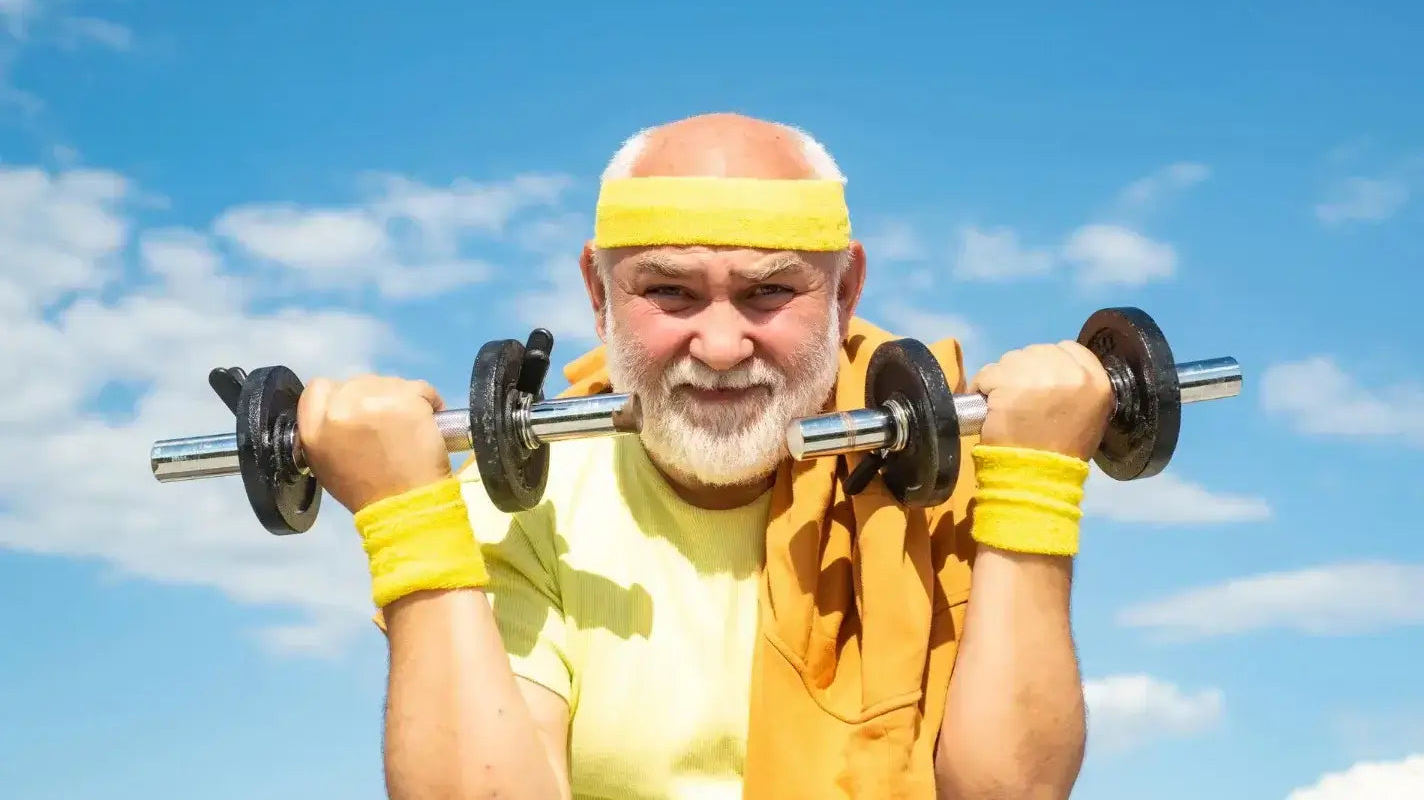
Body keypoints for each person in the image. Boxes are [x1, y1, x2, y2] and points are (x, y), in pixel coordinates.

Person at [297, 113, 1112, 800]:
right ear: (597, 290)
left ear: (845, 290)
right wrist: (405, 519)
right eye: (671, 293)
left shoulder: (947, 473)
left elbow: (1013, 789)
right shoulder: (522, 503)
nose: (721, 347)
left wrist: (1038, 484)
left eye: (768, 292)